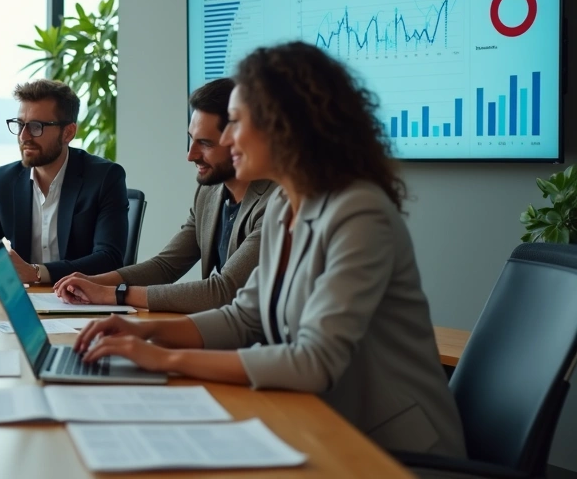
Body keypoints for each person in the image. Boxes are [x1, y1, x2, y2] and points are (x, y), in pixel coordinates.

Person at [75, 42, 465, 457]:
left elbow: (313, 361)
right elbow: (244, 316)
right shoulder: (286, 205)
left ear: (283, 126)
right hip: (320, 424)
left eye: (236, 123)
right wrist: (145, 331)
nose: (226, 137)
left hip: (393, 449)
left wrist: (165, 360)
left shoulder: (359, 212)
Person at [52, 78, 273, 312]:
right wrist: (94, 281)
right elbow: (165, 266)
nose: (191, 155)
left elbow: (223, 291)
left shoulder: (275, 203)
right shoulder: (209, 192)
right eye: (191, 139)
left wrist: (115, 294)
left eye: (205, 143)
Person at [0, 79, 129, 285]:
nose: (24, 136)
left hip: (85, 303)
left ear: (68, 132)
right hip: (25, 302)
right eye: (20, 125)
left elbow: (109, 258)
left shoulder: (104, 178)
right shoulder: (5, 180)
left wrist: (37, 273)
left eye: (36, 127)